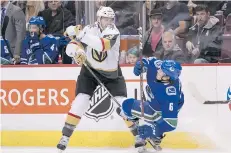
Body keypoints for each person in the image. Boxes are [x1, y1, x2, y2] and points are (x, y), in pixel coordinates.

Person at [56, 6, 129, 152]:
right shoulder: (89, 29)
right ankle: (65, 136)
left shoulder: (113, 32)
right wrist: (77, 52)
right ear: (99, 19)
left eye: (110, 19)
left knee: (123, 104)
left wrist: (80, 34)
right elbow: (71, 47)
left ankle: (138, 135)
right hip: (90, 71)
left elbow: (102, 46)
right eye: (105, 18)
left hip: (111, 73)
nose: (108, 21)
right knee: (80, 102)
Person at [119, 58, 184, 151]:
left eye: (163, 72)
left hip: (161, 112)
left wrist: (154, 130)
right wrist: (140, 64)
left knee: (157, 124)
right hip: (153, 104)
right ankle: (139, 132)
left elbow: (171, 123)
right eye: (161, 68)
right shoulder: (159, 66)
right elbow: (149, 61)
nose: (159, 71)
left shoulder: (171, 95)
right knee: (127, 105)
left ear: (168, 77)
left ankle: (156, 135)